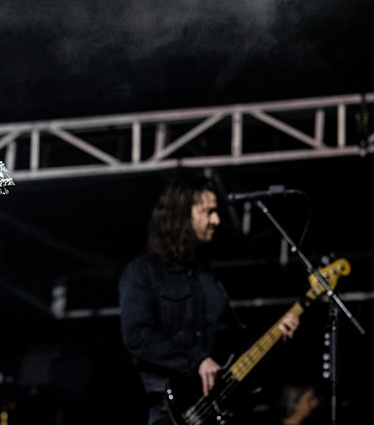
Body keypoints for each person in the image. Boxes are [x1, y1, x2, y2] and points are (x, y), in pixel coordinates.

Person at [118, 172, 300, 425]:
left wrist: (274, 340)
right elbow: (136, 335)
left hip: (217, 411)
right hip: (169, 411)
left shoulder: (209, 277)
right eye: (208, 212)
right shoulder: (143, 271)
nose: (216, 220)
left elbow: (232, 349)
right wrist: (196, 360)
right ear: (182, 213)